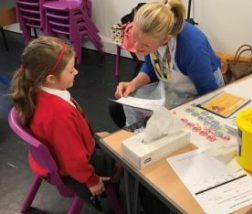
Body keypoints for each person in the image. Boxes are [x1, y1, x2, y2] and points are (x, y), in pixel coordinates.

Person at [10, 36, 119, 211]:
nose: (76, 72)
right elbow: (74, 159)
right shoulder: (58, 114)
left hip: (53, 159)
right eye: (70, 70)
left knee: (110, 139)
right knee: (125, 160)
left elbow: (67, 142)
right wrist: (91, 180)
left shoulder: (34, 90)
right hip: (74, 170)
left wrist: (91, 137)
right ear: (51, 79)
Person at [110, 0, 224, 126]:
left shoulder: (192, 48)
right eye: (135, 39)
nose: (136, 48)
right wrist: (133, 84)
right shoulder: (152, 35)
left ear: (166, 39)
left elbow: (208, 94)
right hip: (174, 87)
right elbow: (152, 65)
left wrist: (178, 110)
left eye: (145, 45)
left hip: (203, 93)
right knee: (121, 105)